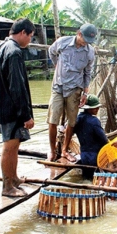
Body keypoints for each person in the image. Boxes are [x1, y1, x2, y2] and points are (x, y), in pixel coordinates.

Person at [0, 18, 36, 197]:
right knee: (9, 147)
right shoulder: (14, 52)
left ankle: (13, 179)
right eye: (30, 36)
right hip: (12, 110)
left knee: (13, 146)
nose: (30, 40)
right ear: (23, 33)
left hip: (2, 107)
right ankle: (7, 187)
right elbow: (17, 87)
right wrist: (26, 115)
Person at [46, 23, 98, 162]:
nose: (86, 42)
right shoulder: (63, 42)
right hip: (58, 86)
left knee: (72, 121)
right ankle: (51, 150)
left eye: (89, 41)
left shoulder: (89, 51)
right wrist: (57, 66)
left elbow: (88, 72)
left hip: (75, 89)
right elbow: (51, 52)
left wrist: (85, 92)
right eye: (85, 39)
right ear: (79, 34)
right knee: (53, 120)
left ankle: (64, 150)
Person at [74, 94, 108, 174]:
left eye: (97, 107)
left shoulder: (78, 119)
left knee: (86, 176)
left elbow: (70, 130)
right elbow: (103, 140)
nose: (97, 109)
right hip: (95, 157)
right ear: (89, 109)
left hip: (84, 156)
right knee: (97, 178)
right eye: (95, 107)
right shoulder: (94, 121)